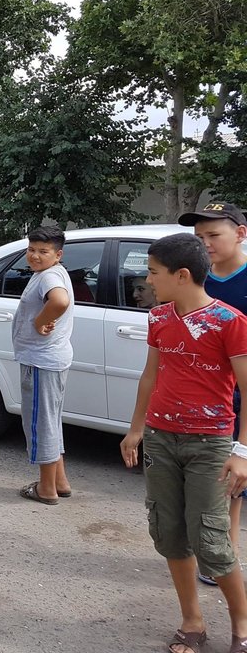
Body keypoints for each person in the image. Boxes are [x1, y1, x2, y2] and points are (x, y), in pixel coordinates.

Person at [120, 233, 247, 653]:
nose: (148, 280)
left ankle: (241, 627)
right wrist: (136, 428)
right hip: (160, 438)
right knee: (169, 534)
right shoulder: (159, 318)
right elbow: (150, 376)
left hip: (210, 444)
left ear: (182, 275)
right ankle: (192, 621)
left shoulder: (229, 322)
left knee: (212, 542)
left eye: (154, 273)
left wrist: (241, 451)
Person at [178, 202, 247, 587]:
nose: (205, 244)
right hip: (199, 397)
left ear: (240, 233)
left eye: (213, 236)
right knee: (211, 483)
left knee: (231, 482)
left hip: (239, 397)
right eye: (199, 237)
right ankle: (218, 555)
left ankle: (223, 557)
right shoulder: (195, 279)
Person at [12, 224, 75, 505]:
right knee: (50, 420)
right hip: (51, 360)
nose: (35, 255)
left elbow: (59, 301)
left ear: (58, 254)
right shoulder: (52, 272)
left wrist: (39, 322)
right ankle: (60, 481)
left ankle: (46, 488)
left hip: (41, 362)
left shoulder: (50, 276)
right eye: (31, 249)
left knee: (41, 423)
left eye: (43, 251)